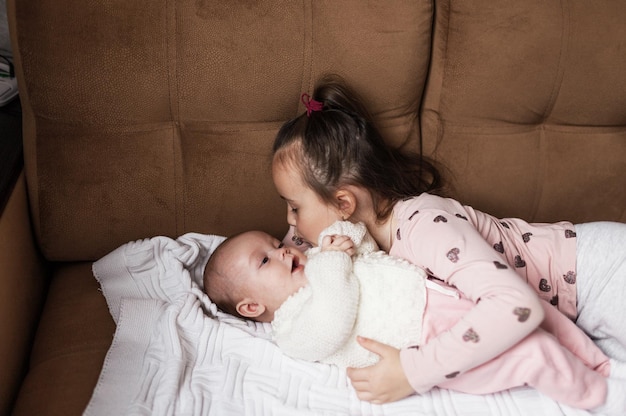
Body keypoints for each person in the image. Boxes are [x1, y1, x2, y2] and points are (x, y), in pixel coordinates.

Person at [270, 74, 626, 411]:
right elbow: (289, 250)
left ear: (344, 204)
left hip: (602, 272)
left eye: (294, 207)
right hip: (576, 312)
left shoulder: (424, 226)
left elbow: (516, 306)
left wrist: (414, 371)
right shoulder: (354, 237)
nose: (290, 223)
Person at [204, 220, 622, 413]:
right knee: (529, 352)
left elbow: (365, 246)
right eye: (266, 260)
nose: (284, 250)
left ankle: (599, 363)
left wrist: (343, 240)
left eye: (277, 243)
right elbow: (334, 317)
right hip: (427, 338)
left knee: (534, 313)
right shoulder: (292, 329)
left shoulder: (317, 259)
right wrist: (331, 264)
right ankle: (598, 397)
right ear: (252, 308)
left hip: (443, 298)